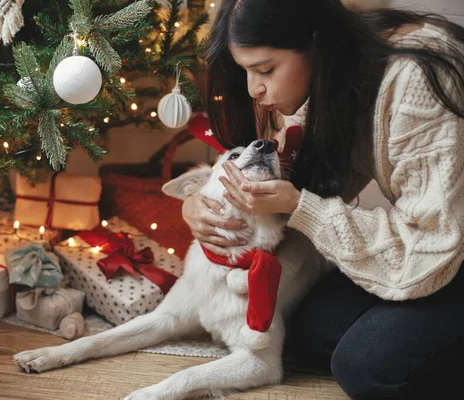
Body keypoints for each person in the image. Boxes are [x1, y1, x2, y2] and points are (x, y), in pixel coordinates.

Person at [182, 0, 464, 398]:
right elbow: (312, 174)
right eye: (246, 70)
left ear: (315, 42)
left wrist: (299, 207)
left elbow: (432, 241)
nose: (253, 89)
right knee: (308, 329)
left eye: (265, 70)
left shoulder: (417, 78)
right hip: (433, 240)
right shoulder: (333, 71)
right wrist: (194, 201)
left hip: (447, 247)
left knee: (367, 367)